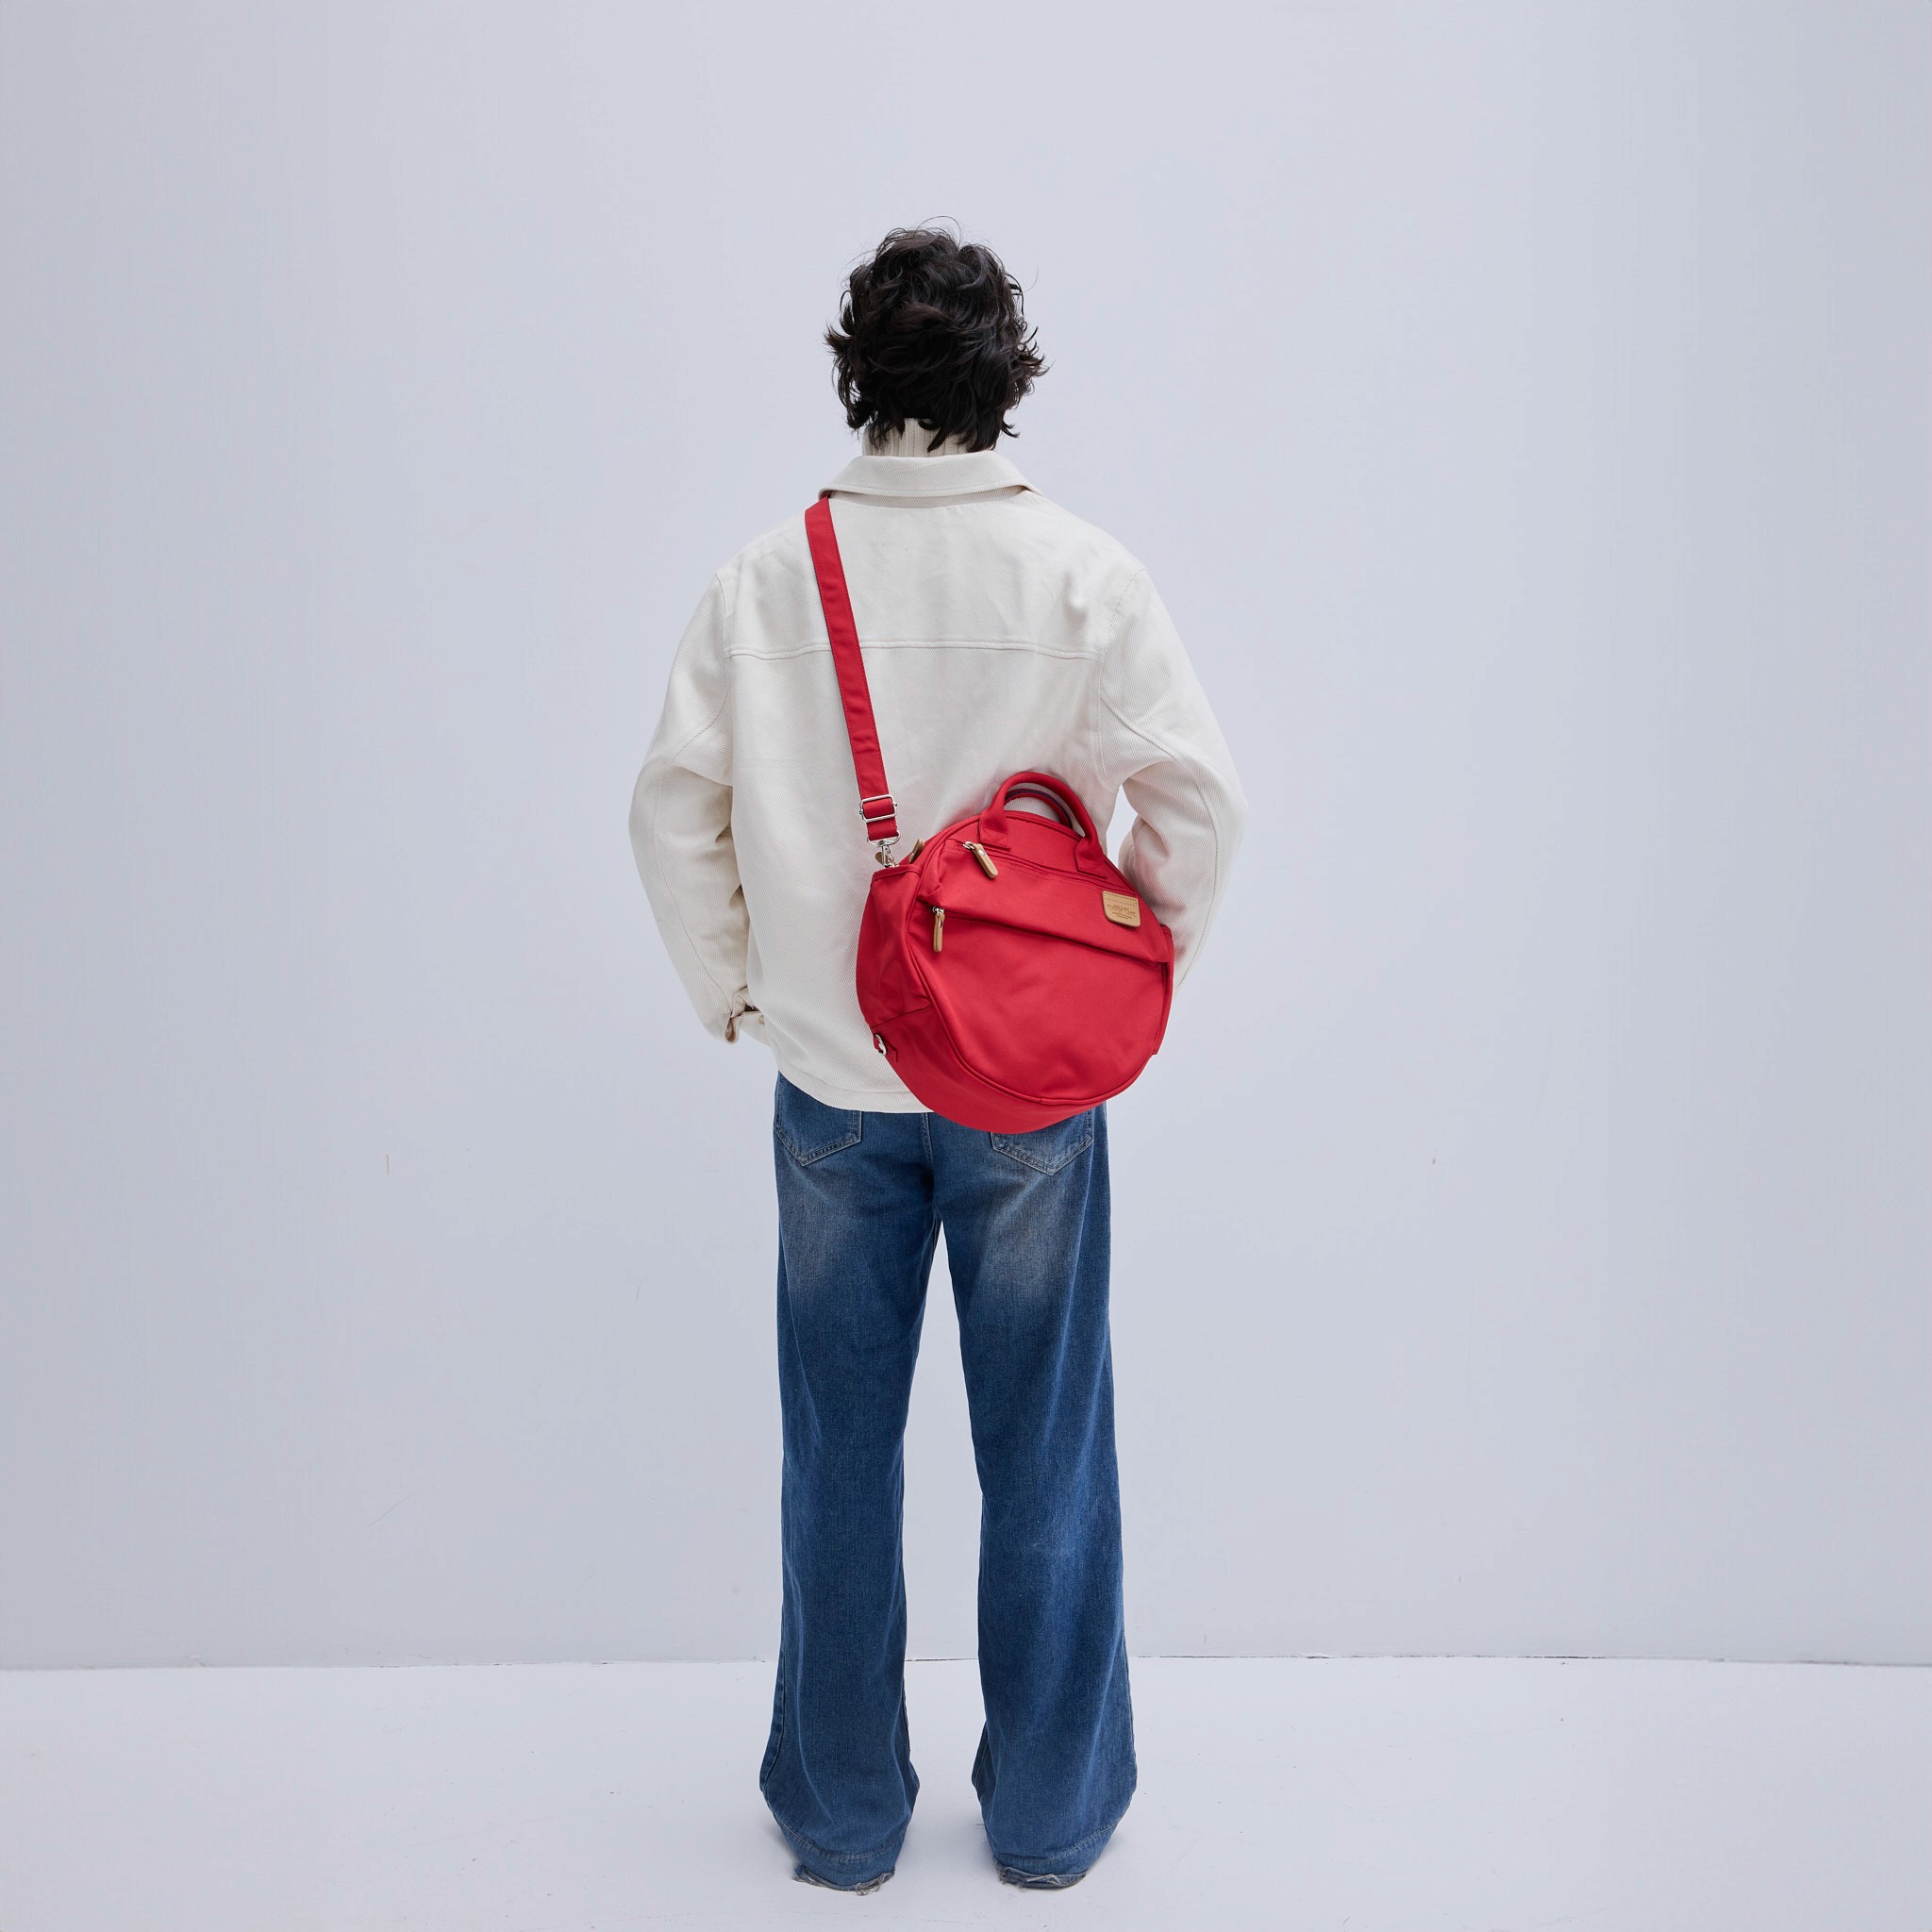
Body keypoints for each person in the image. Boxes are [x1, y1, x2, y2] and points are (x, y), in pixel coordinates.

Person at [628, 226, 1246, 1892]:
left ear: (859, 375)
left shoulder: (766, 581)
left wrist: (740, 999)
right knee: (1043, 1439)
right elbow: (1200, 805)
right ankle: (1049, 1819)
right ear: (1002, 379)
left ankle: (840, 1820)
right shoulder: (1080, 579)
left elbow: (671, 812)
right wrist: (1129, 970)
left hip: (834, 1082)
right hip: (1032, 1097)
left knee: (839, 1445)